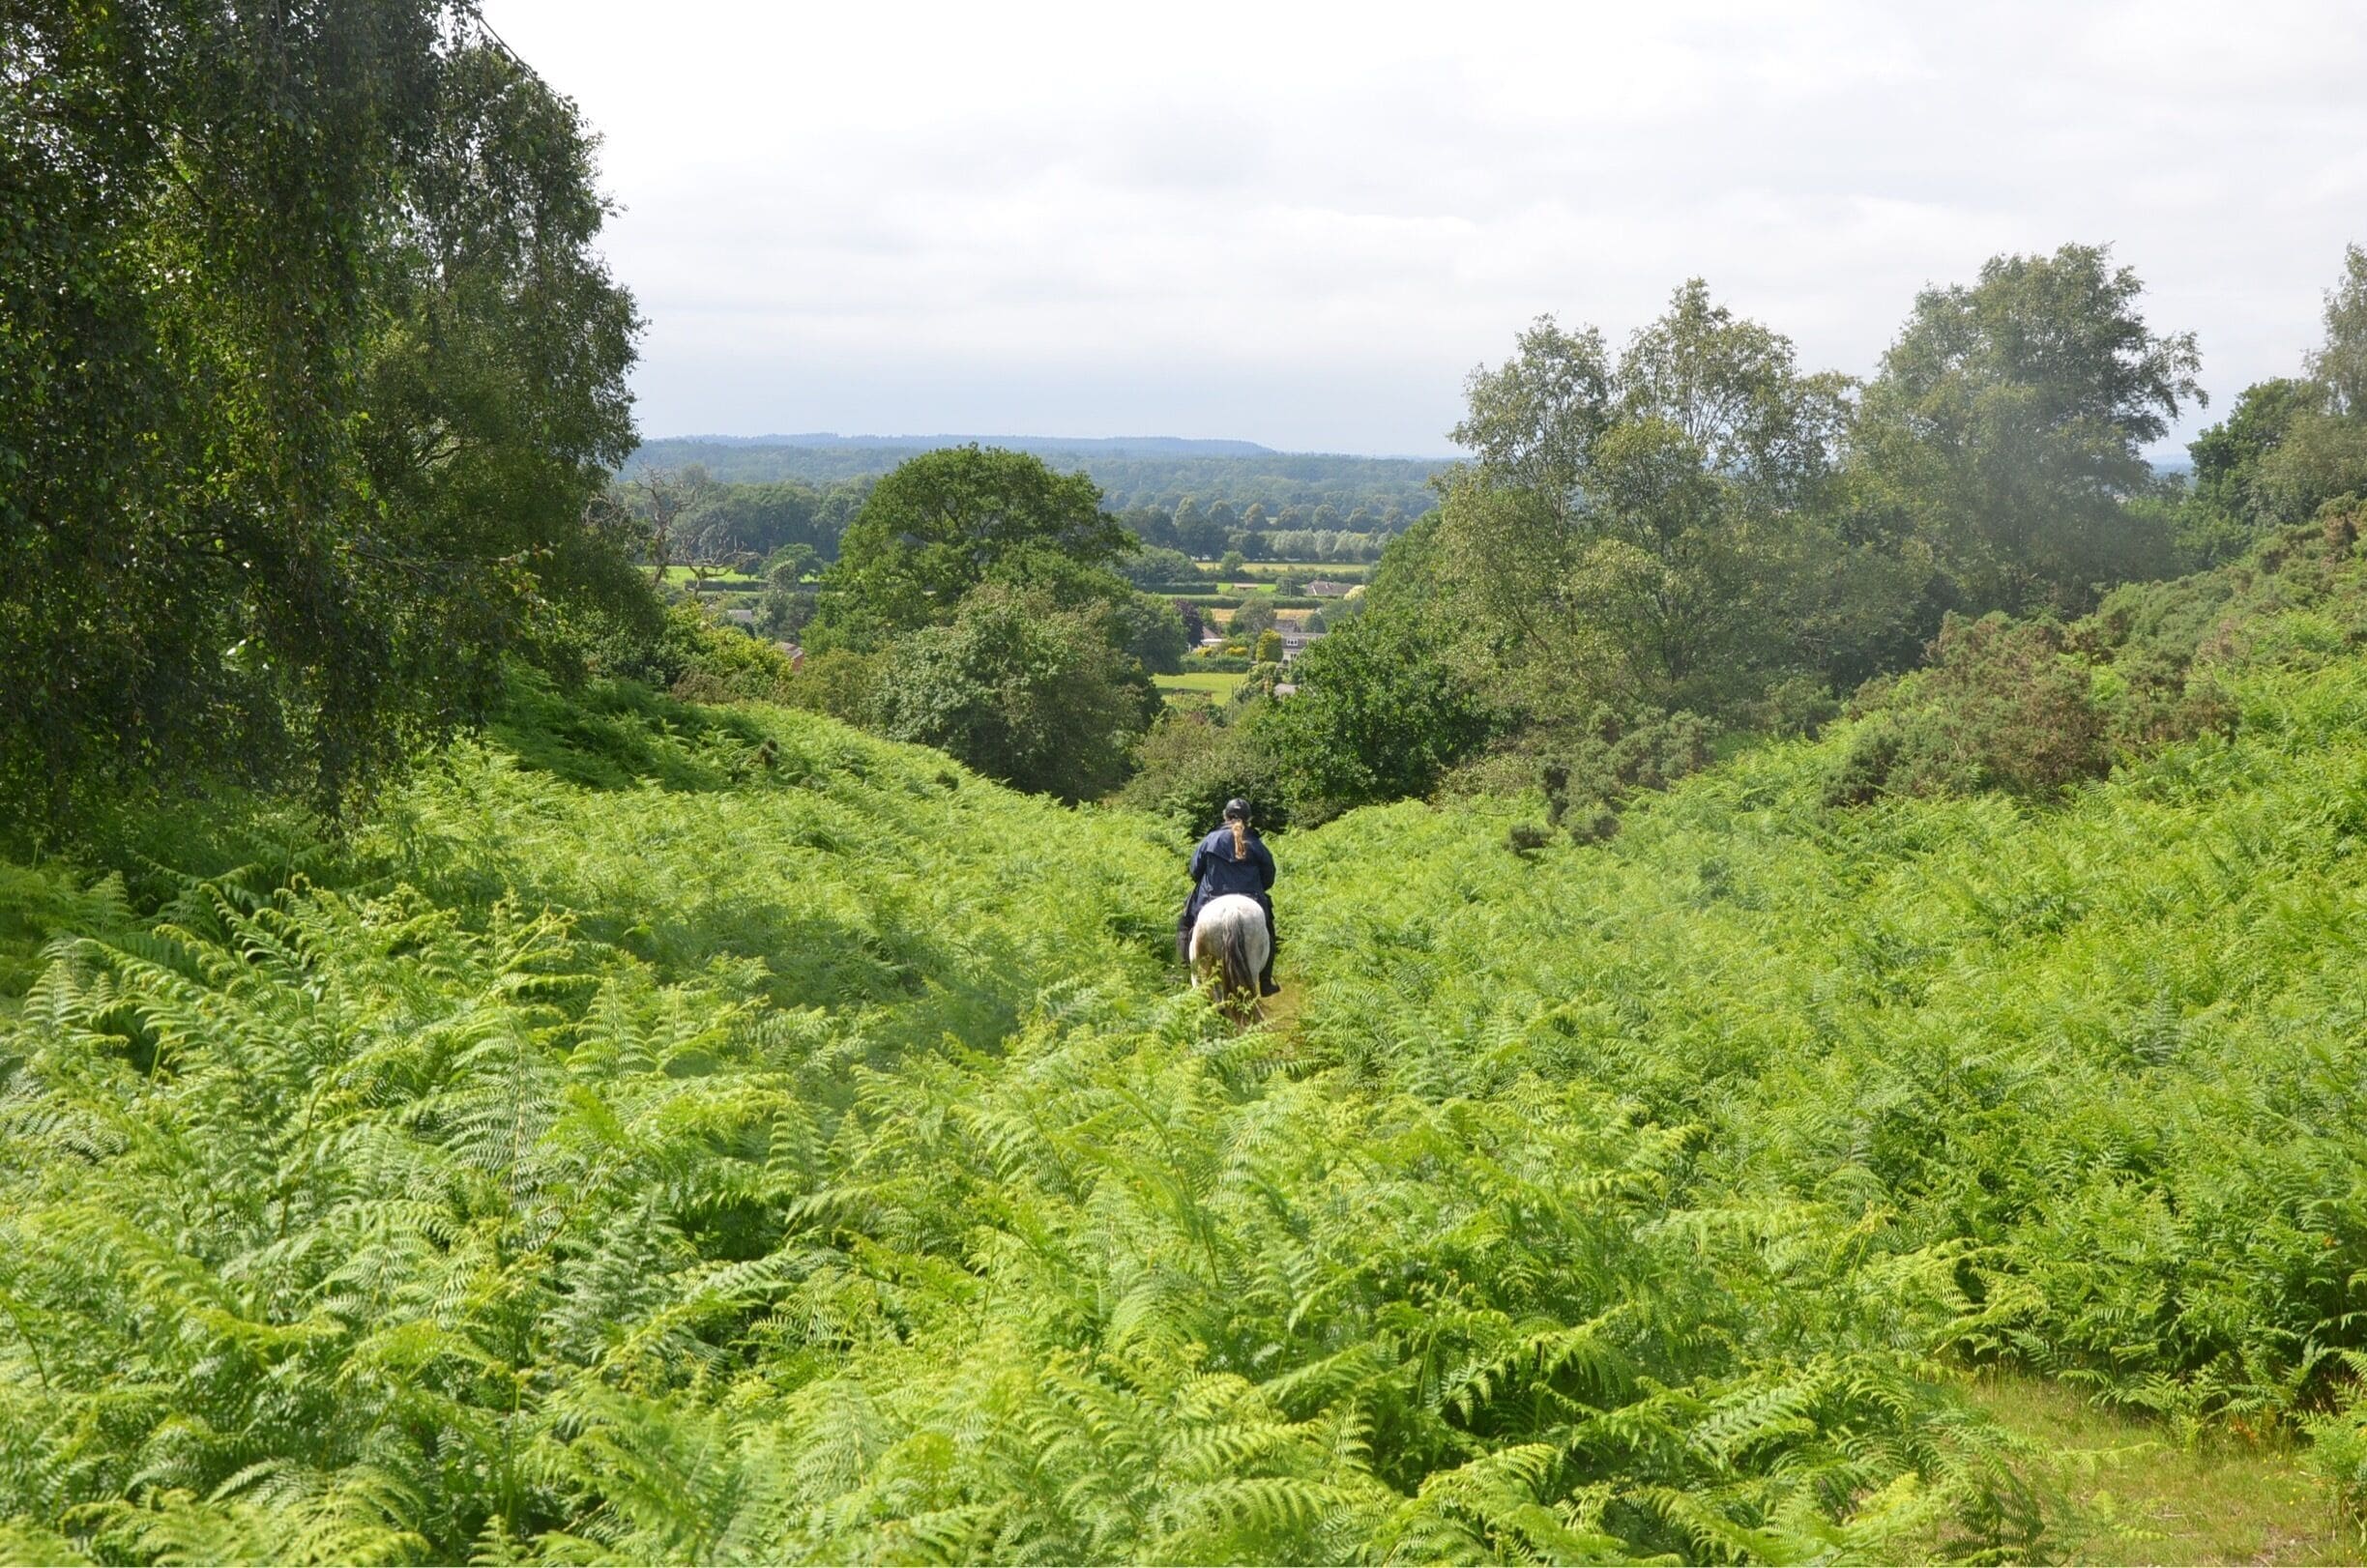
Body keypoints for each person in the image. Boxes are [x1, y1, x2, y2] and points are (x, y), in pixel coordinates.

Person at [1179, 798, 1278, 995]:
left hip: (1210, 898)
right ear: (1249, 819)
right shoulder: (1256, 843)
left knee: (1184, 924)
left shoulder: (1210, 840)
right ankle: (1265, 981)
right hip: (1251, 897)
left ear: (1225, 816)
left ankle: (1185, 973)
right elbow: (1269, 877)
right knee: (1268, 928)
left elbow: (1194, 872)